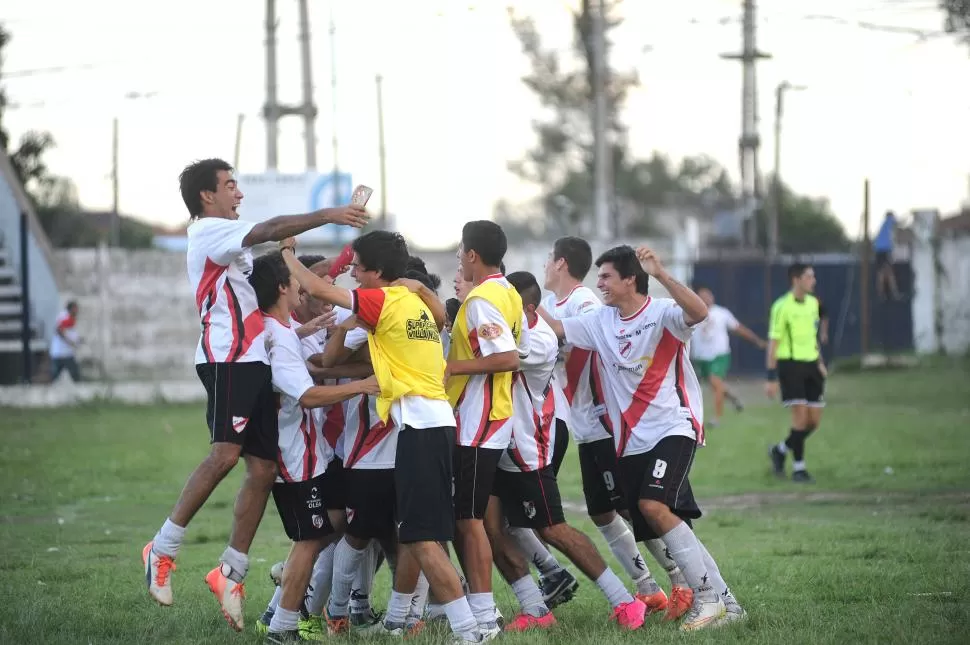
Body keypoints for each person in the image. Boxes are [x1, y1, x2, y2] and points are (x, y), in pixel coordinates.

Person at [142, 157, 368, 631]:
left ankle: (231, 571)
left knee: (263, 469)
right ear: (208, 195)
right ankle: (161, 548)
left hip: (252, 360)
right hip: (227, 359)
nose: (238, 192)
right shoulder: (208, 231)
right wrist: (328, 215)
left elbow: (285, 274)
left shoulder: (232, 248)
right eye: (230, 185)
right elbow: (269, 228)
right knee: (225, 455)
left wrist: (333, 263)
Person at [280, 231, 485, 645]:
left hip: (421, 428)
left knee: (422, 539)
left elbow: (319, 288)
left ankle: (470, 631)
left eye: (357, 268)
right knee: (418, 536)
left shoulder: (385, 299)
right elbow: (440, 318)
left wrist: (285, 253)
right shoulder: (415, 302)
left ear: (376, 272)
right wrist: (422, 287)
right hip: (431, 424)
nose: (353, 274)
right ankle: (464, 628)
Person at [540, 245, 745, 631]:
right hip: (630, 440)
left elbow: (698, 313)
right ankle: (727, 602)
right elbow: (557, 328)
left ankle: (707, 599)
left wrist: (663, 274)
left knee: (653, 506)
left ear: (630, 279)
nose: (598, 283)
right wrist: (517, 299)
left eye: (605, 277)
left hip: (674, 425)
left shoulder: (661, 313)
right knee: (655, 517)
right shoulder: (601, 320)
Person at [494, 271, 646, 630]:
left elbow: (498, 356)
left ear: (526, 308)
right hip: (498, 444)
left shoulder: (540, 339)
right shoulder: (515, 329)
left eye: (503, 305)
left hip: (528, 448)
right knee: (493, 527)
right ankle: (535, 608)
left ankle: (625, 602)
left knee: (552, 528)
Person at [541, 237, 679, 617]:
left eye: (548, 258)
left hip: (604, 420)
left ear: (562, 264)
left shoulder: (587, 303)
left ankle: (678, 578)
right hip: (584, 421)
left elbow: (574, 344)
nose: (544, 263)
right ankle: (649, 587)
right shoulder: (555, 305)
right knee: (603, 509)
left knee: (633, 507)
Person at [249, 251, 379, 645]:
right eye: (296, 281)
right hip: (295, 455)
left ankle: (281, 612)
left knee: (321, 531)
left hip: (303, 454)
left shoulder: (275, 328)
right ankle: (282, 624)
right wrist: (364, 385)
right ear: (285, 288)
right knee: (311, 539)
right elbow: (305, 395)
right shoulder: (282, 335)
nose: (309, 288)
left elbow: (313, 367)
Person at [446, 221, 528, 638]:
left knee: (469, 519)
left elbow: (509, 358)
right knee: (470, 517)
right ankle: (481, 609)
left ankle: (484, 613)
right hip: (490, 418)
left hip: (479, 423)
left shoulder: (480, 299)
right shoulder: (509, 292)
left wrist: (453, 366)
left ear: (473, 255)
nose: (459, 258)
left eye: (461, 251)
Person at [766, 263, 827, 484]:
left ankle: (780, 450)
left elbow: (812, 335)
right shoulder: (781, 306)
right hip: (790, 366)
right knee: (800, 419)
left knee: (813, 422)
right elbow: (773, 342)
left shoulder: (813, 303)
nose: (814, 280)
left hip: (812, 365)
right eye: (809, 276)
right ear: (796, 279)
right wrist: (771, 377)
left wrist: (820, 361)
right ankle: (799, 468)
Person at [690, 287, 766, 427]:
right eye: (703, 296)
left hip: (719, 354)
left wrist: (756, 340)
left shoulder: (721, 313)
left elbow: (738, 328)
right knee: (716, 385)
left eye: (709, 295)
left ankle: (716, 418)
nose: (707, 298)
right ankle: (733, 397)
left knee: (715, 381)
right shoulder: (692, 312)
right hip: (701, 357)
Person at [49, 301, 81, 382]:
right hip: (60, 352)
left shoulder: (71, 318)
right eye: (75, 308)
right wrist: (71, 342)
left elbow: (70, 331)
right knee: (56, 374)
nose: (77, 311)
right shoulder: (65, 316)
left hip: (67, 352)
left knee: (74, 373)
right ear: (71, 309)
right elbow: (59, 330)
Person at [874, 211, 902, 300]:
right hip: (885, 249)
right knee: (889, 272)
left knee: (881, 273)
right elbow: (899, 223)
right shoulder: (890, 220)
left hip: (878, 250)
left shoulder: (883, 224)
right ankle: (894, 293)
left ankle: (881, 294)